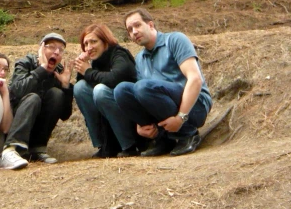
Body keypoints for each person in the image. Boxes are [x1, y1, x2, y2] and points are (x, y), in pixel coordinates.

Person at [114, 9, 212, 157]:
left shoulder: (175, 40)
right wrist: (139, 125)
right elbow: (142, 97)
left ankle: (188, 134)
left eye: (137, 25)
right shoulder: (140, 59)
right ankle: (163, 138)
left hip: (195, 107)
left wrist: (181, 117)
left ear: (151, 25)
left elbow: (195, 79)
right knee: (121, 90)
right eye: (130, 29)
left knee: (143, 86)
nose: (134, 32)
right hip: (164, 106)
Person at [0, 33, 74, 170]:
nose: (56, 52)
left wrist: (65, 86)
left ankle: (37, 149)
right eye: (52, 47)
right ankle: (10, 149)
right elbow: (16, 92)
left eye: (60, 49)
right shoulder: (26, 62)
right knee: (33, 98)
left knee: (56, 94)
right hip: (14, 122)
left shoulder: (59, 72)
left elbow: (65, 115)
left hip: (36, 128)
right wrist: (41, 70)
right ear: (41, 49)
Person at [73, 23, 140, 158]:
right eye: (86, 44)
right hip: (110, 119)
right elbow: (86, 82)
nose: (89, 47)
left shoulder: (119, 54)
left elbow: (113, 79)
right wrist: (83, 70)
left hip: (135, 119)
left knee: (100, 91)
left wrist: (88, 71)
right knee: (80, 88)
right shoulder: (97, 61)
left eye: (93, 42)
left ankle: (129, 146)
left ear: (106, 41)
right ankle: (104, 145)